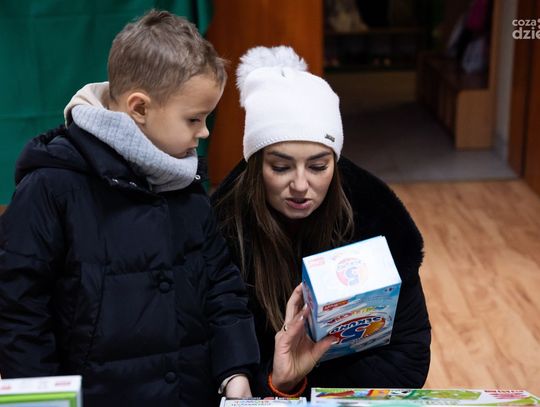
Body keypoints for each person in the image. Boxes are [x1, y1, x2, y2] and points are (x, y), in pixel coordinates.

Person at [0, 10, 259, 406]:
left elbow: (220, 283)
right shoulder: (51, 187)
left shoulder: (185, 182)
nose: (204, 131)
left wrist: (235, 369)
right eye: (194, 118)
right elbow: (19, 312)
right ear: (139, 108)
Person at [211, 46, 431, 398]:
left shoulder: (377, 226)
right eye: (281, 167)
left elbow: (408, 358)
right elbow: (207, 361)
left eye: (317, 166)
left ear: (335, 163)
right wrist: (279, 383)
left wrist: (305, 388)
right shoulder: (220, 234)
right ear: (256, 167)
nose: (300, 185)